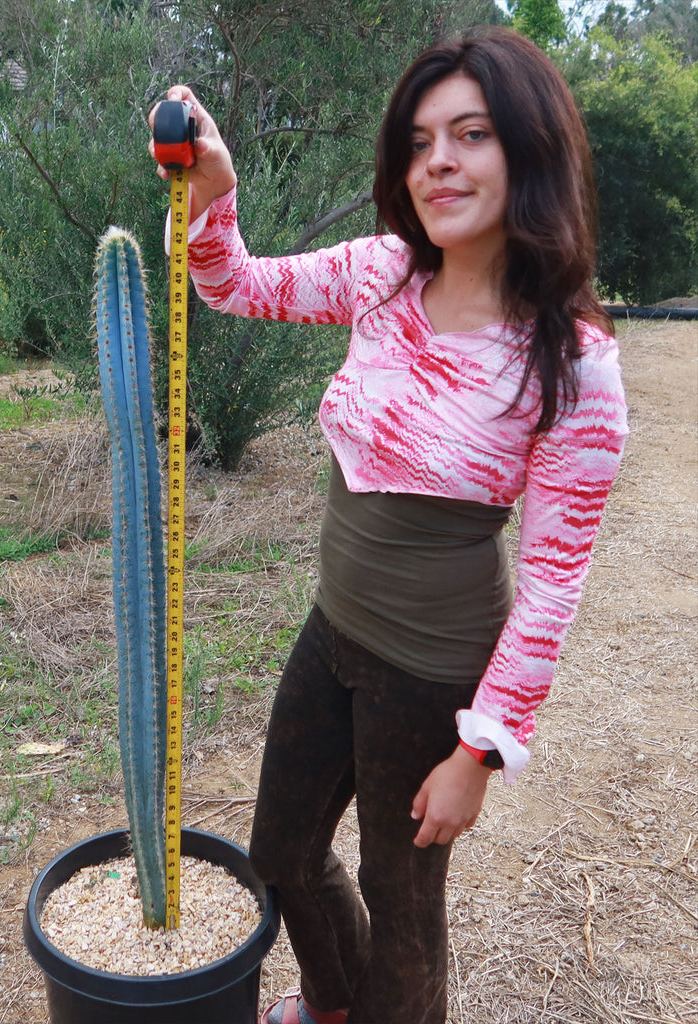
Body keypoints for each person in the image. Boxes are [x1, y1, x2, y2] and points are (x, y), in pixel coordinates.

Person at [149, 26, 628, 1024]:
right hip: (334, 630)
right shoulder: (383, 274)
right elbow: (235, 284)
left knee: (400, 900)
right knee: (280, 850)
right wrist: (213, 192)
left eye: (471, 134)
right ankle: (330, 1006)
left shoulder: (573, 361)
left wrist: (479, 750)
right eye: (419, 142)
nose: (437, 161)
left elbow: (553, 582)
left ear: (531, 151)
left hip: (433, 672)